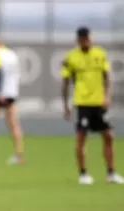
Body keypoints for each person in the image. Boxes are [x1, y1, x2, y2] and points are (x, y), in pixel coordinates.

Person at [61, 26, 124, 185]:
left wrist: (107, 97)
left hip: (98, 103)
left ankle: (111, 173)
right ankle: (83, 174)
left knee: (109, 136)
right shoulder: (71, 57)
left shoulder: (99, 54)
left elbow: (107, 77)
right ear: (78, 40)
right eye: (82, 40)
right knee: (81, 137)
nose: (85, 42)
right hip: (82, 103)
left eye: (87, 39)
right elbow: (65, 82)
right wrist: (66, 105)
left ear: (91, 38)